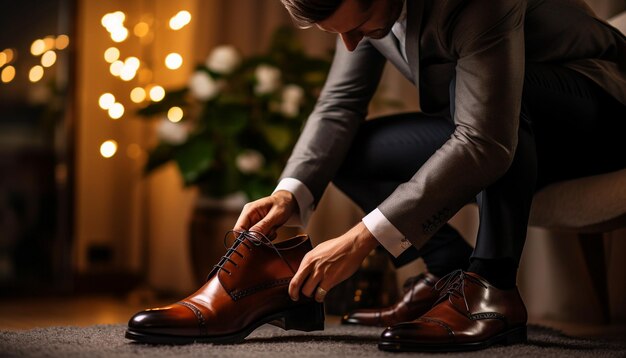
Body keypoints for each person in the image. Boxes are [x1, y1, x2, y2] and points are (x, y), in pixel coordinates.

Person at [234, 0, 626, 352]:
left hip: (600, 115)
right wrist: (287, 194)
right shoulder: (358, 14)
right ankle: (447, 272)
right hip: (496, 126)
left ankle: (493, 287)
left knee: (499, 96)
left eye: (359, 26)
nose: (351, 44)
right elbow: (339, 105)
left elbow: (484, 141)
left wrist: (360, 239)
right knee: (348, 154)